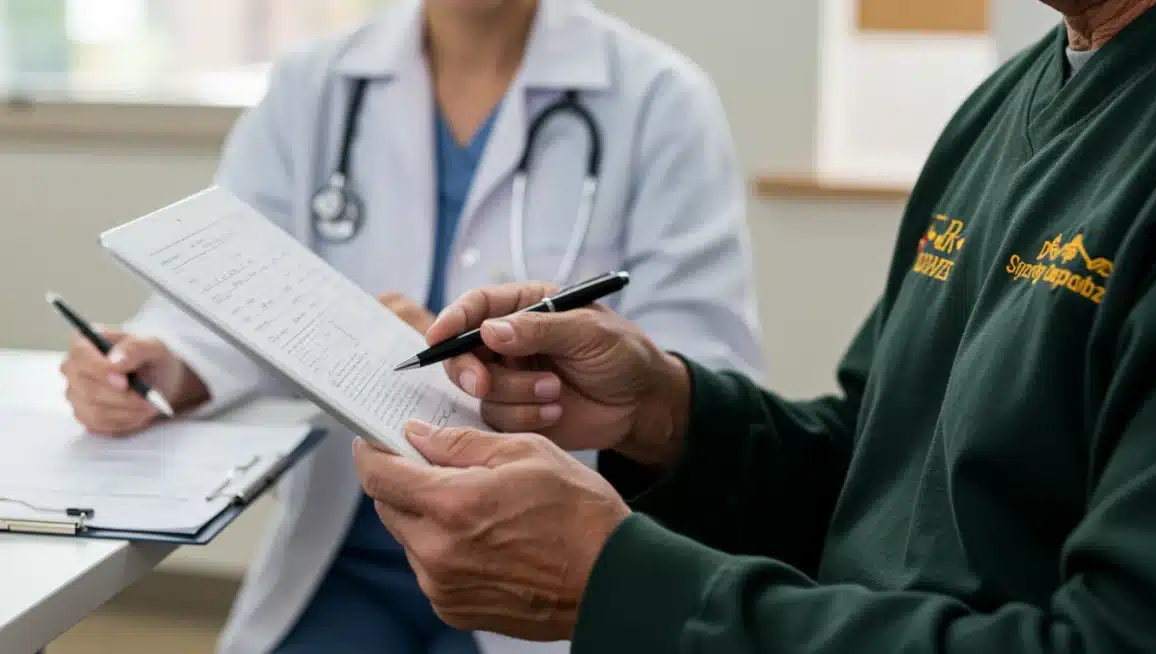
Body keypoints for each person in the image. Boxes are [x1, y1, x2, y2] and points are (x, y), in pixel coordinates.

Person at [353, 0, 1156, 651]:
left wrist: (617, 581)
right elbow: (876, 469)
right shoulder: (1007, 105)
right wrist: (666, 415)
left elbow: (1121, 637)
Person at [55, 0, 763, 652]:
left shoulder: (660, 101)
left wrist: (526, 372)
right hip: (348, 554)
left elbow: (699, 377)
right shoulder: (318, 84)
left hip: (535, 569)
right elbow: (233, 287)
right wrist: (163, 363)